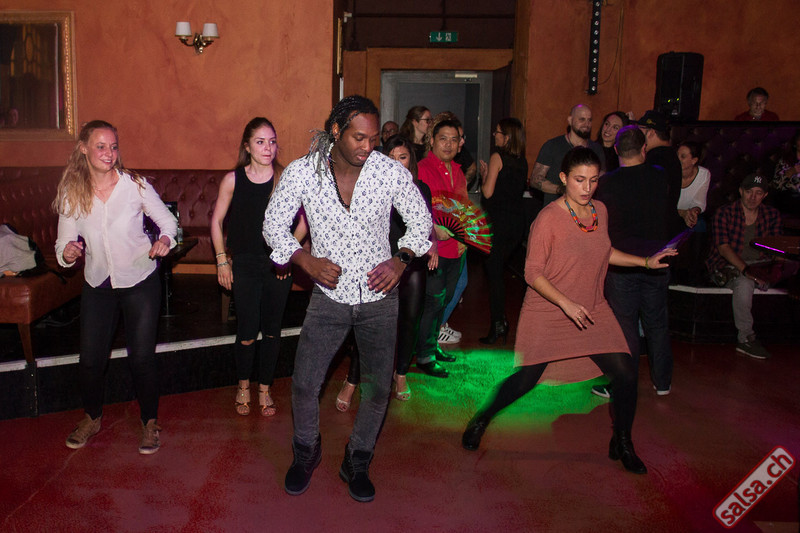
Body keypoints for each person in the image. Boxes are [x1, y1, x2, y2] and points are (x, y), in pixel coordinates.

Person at [461, 147, 675, 475]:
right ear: (563, 178)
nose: (587, 188)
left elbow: (604, 252)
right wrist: (565, 303)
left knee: (626, 373)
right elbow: (532, 273)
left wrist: (645, 262)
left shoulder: (600, 211)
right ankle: (482, 419)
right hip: (549, 310)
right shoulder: (548, 219)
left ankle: (622, 441)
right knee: (526, 379)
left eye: (593, 180)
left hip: (591, 307)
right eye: (579, 180)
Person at [263, 96, 431, 502]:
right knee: (305, 383)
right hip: (329, 297)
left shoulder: (388, 171)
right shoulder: (304, 172)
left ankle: (358, 458)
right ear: (336, 131)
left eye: (373, 139)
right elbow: (273, 224)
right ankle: (306, 451)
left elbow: (420, 219)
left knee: (377, 388)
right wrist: (305, 260)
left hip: (379, 298)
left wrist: (401, 260)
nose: (367, 146)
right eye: (359, 138)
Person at [53, 120, 177, 454]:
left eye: (113, 146)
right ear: (84, 149)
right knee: (90, 360)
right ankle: (92, 417)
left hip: (140, 280)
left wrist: (165, 239)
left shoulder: (135, 185)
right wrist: (67, 253)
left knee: (142, 358)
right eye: (100, 146)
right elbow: (63, 243)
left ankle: (150, 422)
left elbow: (168, 222)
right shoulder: (72, 192)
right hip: (98, 283)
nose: (109, 153)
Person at [336, 134, 438, 410]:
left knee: (410, 320)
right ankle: (353, 379)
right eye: (390, 157)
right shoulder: (372, 186)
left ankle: (401, 374)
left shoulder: (420, 188)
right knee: (368, 323)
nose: (396, 163)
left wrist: (434, 246)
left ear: (410, 160)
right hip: (380, 262)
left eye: (402, 157)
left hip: (411, 261)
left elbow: (426, 224)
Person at [209, 117, 294, 417]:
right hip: (244, 262)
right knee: (247, 329)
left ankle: (265, 388)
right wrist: (222, 260)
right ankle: (243, 384)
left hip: (276, 265)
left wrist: (289, 251)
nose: (268, 148)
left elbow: (305, 220)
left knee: (271, 331)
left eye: (272, 141)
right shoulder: (233, 179)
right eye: (260, 142)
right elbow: (216, 221)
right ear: (247, 146)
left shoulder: (284, 177)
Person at [594, 126, 675, 396]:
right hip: (657, 261)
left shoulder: (607, 183)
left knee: (624, 325)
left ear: (616, 150)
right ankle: (662, 383)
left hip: (623, 263)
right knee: (657, 324)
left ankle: (623, 385)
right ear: (644, 149)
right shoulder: (659, 176)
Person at [706, 174, 782, 360]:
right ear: (741, 191)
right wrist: (747, 271)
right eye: (749, 192)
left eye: (758, 193)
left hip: (760, 265)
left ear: (764, 195)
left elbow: (776, 247)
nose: (753, 197)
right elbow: (724, 248)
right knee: (744, 283)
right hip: (728, 266)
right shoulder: (725, 213)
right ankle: (746, 338)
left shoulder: (771, 215)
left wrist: (777, 267)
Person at [415, 117, 469, 378]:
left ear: (459, 144)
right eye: (443, 139)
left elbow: (464, 209)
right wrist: (434, 229)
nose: (448, 144)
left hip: (456, 249)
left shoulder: (458, 171)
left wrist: (464, 239)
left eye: (453, 139)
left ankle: (432, 346)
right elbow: (416, 209)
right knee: (433, 303)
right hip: (433, 250)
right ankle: (424, 356)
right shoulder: (422, 168)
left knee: (445, 300)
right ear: (432, 141)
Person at [478, 117, 528, 344]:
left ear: (506, 137)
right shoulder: (522, 161)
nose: (494, 135)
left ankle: (499, 324)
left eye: (497, 132)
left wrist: (485, 175)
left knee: (494, 273)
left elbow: (488, 193)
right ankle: (500, 322)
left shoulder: (497, 157)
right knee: (498, 270)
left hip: (499, 224)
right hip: (516, 223)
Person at [530, 104, 605, 207]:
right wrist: (562, 190)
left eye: (589, 120)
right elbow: (535, 180)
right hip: (557, 209)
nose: (586, 124)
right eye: (582, 119)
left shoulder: (596, 149)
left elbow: (602, 180)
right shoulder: (553, 145)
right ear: (570, 120)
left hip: (585, 210)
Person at [636, 110, 683, 235]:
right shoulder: (669, 155)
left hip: (655, 231)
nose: (637, 135)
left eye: (640, 130)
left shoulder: (656, 158)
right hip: (667, 227)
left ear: (651, 132)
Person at [676, 141, 711, 230]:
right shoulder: (668, 172)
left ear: (694, 160)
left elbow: (699, 202)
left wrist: (693, 213)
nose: (677, 159)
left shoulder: (704, 174)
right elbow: (663, 206)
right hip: (668, 215)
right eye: (677, 155)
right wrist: (682, 213)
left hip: (686, 216)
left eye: (683, 156)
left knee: (700, 224)